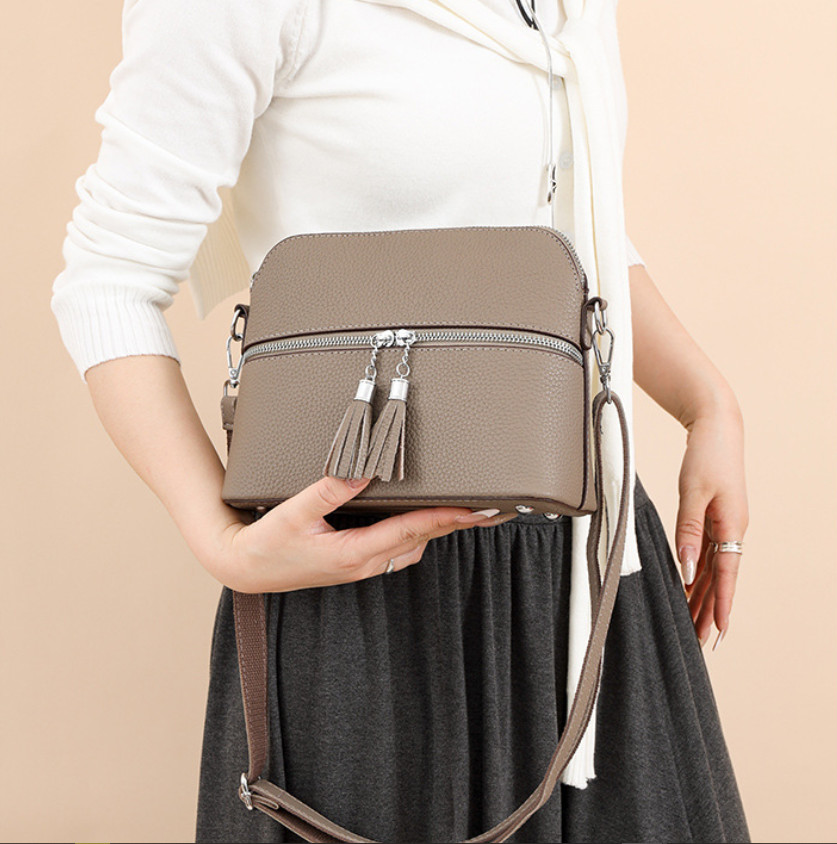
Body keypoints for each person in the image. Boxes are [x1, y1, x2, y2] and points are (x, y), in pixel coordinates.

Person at [50, 0, 751, 841]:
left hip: (582, 561)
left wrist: (708, 403)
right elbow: (108, 280)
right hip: (366, 589)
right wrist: (221, 541)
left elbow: (570, 225)